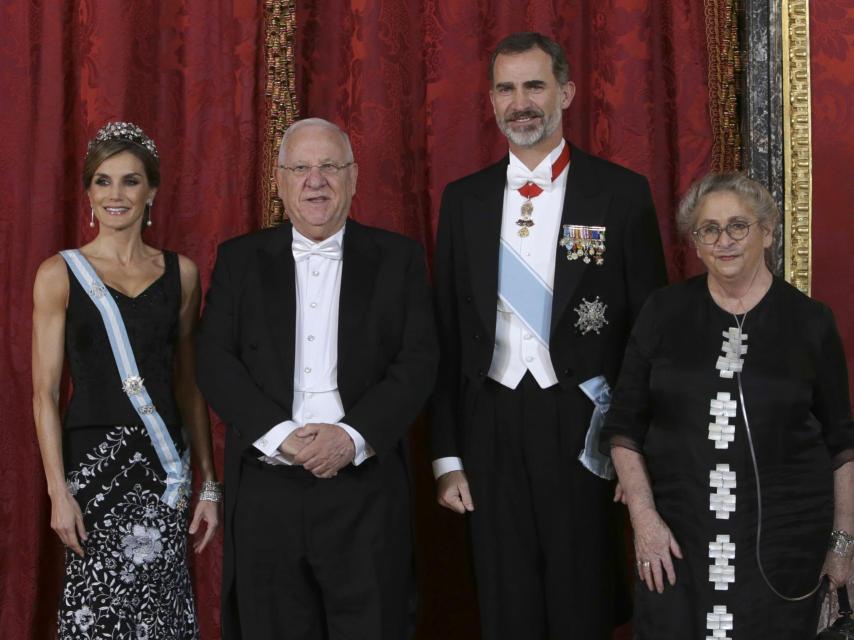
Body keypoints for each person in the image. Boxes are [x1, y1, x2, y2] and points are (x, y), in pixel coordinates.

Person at [430, 31, 667, 638]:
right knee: (504, 600)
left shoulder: (620, 192)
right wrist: (448, 456)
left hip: (584, 422)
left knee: (581, 594)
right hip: (490, 422)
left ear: (565, 91)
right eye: (506, 89)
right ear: (490, 101)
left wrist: (636, 450)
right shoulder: (463, 200)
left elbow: (649, 337)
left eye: (534, 85)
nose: (521, 102)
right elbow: (449, 339)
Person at [195, 117, 437, 640]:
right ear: (279, 181)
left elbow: (419, 361)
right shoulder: (239, 259)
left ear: (353, 177)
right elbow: (214, 359)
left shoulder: (399, 258)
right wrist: (282, 437)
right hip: (265, 489)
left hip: (365, 490)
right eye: (301, 168)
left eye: (329, 166)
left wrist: (350, 437)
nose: (315, 180)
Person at [601, 172, 854, 639]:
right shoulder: (662, 311)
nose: (724, 241)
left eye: (738, 226)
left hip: (785, 542)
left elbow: (842, 444)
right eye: (709, 229)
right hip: (678, 538)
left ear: (768, 232)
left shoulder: (810, 322)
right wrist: (644, 518)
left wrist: (842, 545)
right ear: (695, 244)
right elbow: (623, 428)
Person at [31, 122, 221, 639]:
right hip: (92, 475)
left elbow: (188, 383)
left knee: (163, 613)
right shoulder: (58, 273)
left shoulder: (181, 273)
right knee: (97, 616)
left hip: (164, 472)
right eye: (103, 181)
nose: (116, 194)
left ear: (152, 190)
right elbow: (44, 393)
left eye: (131, 181)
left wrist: (209, 482)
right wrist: (57, 492)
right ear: (89, 193)